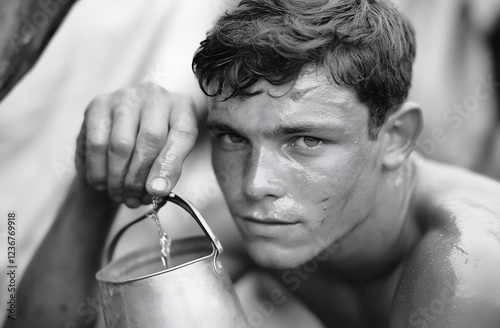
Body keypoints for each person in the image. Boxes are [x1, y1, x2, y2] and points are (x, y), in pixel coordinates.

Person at [6, 0, 500, 327]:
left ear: (396, 137)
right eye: (231, 137)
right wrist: (98, 177)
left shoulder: (470, 255)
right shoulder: (270, 222)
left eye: (305, 140)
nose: (256, 184)